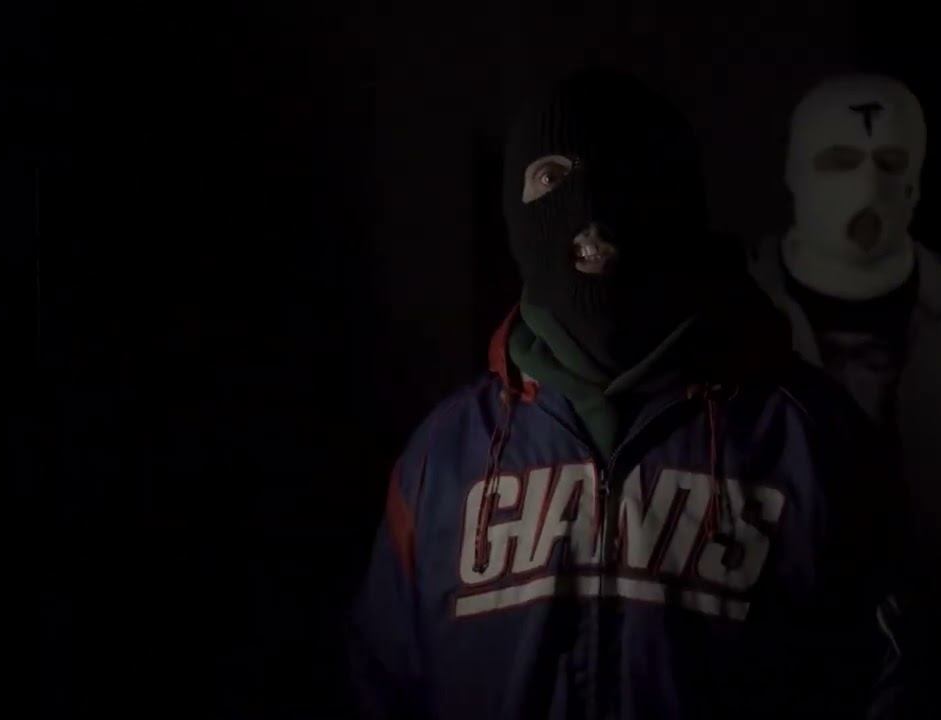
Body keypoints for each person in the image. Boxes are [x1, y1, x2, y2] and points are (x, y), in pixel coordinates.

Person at [349, 68, 902, 719]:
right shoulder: (442, 459)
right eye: (550, 178)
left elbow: (888, 682)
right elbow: (381, 685)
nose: (587, 206)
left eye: (625, 172)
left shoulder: (810, 441)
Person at [747, 73, 941, 716]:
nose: (866, 186)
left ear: (916, 179)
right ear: (794, 171)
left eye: (889, 162)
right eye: (840, 160)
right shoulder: (730, 321)